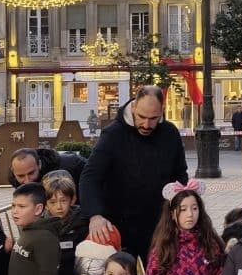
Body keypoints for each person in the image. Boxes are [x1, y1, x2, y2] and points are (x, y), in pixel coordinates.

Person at [80, 85, 188, 257]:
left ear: (162, 111)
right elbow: (90, 177)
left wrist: (179, 210)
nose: (147, 125)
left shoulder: (170, 133)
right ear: (133, 107)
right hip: (120, 225)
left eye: (153, 118)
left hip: (159, 226)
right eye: (142, 117)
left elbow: (180, 175)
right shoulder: (113, 134)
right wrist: (95, 215)